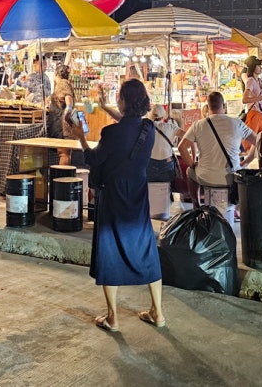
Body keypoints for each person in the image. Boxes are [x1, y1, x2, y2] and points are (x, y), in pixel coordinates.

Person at [66, 79, 164, 333]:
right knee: (146, 247)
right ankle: (158, 313)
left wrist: (81, 138)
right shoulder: (148, 128)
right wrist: (103, 106)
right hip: (138, 195)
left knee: (109, 251)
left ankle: (113, 318)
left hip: (112, 195)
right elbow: (128, 123)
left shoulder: (111, 133)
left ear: (122, 101)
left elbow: (93, 159)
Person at [178, 91, 257, 219]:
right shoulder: (236, 123)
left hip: (206, 177)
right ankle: (238, 208)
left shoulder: (198, 124)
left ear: (208, 107)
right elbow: (258, 142)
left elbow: (182, 147)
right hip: (232, 176)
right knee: (245, 172)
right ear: (223, 106)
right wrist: (247, 161)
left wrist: (192, 164)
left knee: (189, 171)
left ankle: (196, 205)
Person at [147, 104, 185, 190]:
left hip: (149, 163)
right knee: (166, 192)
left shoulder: (146, 128)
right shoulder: (171, 127)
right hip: (166, 163)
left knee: (151, 191)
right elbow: (188, 136)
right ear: (163, 116)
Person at [48, 64, 75, 165]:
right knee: (65, 153)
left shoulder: (62, 83)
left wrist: (68, 111)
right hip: (64, 124)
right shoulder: (66, 83)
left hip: (62, 125)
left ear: (55, 74)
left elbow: (68, 99)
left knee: (63, 153)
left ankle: (62, 179)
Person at [241, 56, 262, 134]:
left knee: (260, 139)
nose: (261, 68)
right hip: (254, 113)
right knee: (251, 141)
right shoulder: (250, 81)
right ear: (253, 67)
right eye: (258, 66)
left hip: (261, 113)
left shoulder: (259, 80)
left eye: (260, 66)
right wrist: (261, 97)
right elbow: (245, 100)